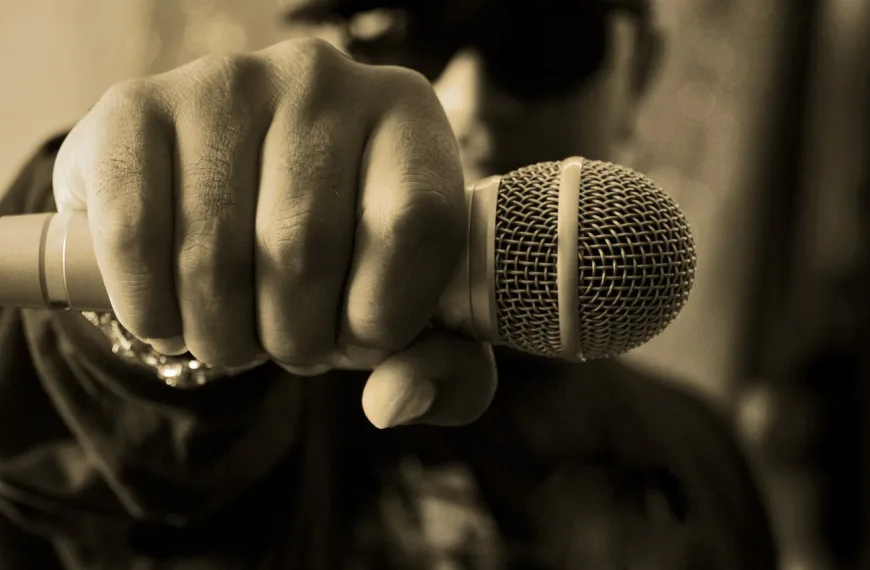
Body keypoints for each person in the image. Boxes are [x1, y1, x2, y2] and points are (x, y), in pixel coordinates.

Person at [0, 0, 778, 568]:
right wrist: (140, 286)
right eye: (407, 31)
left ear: (641, 67)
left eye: (543, 38)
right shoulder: (257, 407)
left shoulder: (706, 461)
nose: (468, 100)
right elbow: (87, 465)